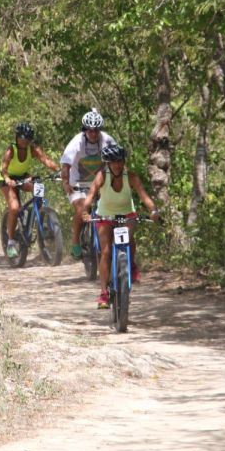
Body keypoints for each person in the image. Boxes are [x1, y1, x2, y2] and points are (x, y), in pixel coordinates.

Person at [81, 145, 158, 309]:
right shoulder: (102, 176)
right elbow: (90, 195)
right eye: (114, 162)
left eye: (120, 161)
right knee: (106, 251)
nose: (118, 165)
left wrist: (153, 210)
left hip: (127, 214)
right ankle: (103, 292)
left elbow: (144, 196)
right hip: (105, 215)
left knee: (129, 240)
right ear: (108, 163)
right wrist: (85, 212)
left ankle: (131, 264)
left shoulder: (131, 177)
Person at [60, 108, 117, 259]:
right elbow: (65, 165)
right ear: (84, 130)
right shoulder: (76, 142)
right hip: (77, 183)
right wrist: (65, 182)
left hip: (99, 183)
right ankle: (75, 241)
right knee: (82, 210)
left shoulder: (107, 140)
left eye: (96, 131)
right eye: (90, 131)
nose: (93, 134)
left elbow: (118, 160)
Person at [0, 122, 60, 259]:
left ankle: (37, 213)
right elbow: (4, 168)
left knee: (39, 187)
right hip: (6, 179)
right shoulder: (11, 150)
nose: (24, 141)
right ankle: (10, 242)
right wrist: (8, 179)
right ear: (16, 137)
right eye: (22, 138)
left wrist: (59, 170)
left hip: (22, 177)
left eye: (27, 139)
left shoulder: (32, 149)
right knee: (14, 208)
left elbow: (46, 160)